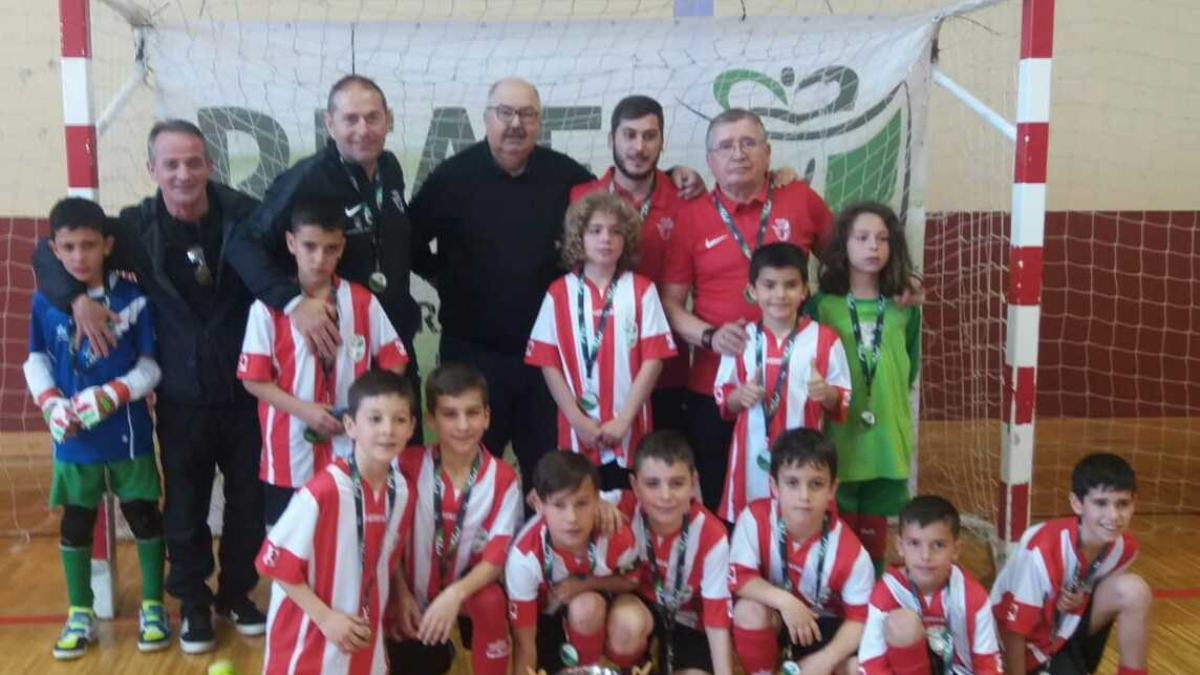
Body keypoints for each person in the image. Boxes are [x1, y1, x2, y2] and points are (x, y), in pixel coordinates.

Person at [31, 119, 265, 652]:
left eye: (194, 162)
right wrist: (75, 297)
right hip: (182, 394)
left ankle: (236, 593)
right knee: (184, 504)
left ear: (209, 164)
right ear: (152, 169)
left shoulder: (244, 216)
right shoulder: (134, 227)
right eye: (171, 164)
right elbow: (49, 252)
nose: (184, 174)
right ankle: (193, 602)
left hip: (248, 389)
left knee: (248, 502)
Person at [411, 77, 704, 490]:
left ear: (538, 121)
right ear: (486, 118)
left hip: (551, 371)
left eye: (527, 114)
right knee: (470, 474)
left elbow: (618, 191)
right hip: (473, 355)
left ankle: (543, 553)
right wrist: (442, 277)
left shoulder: (565, 176)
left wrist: (674, 174)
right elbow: (407, 239)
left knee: (552, 478)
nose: (516, 123)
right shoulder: (451, 177)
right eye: (505, 113)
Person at [227, 74, 426, 440]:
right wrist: (293, 303)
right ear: (330, 124)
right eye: (350, 119)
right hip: (337, 357)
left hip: (392, 348)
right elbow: (242, 245)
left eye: (372, 117)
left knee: (399, 470)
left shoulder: (390, 169)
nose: (362, 130)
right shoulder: (307, 178)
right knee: (339, 480)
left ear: (389, 119)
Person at [662, 108, 834, 511]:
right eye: (725, 146)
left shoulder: (799, 198)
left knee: (799, 501)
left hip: (796, 389)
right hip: (715, 388)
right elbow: (669, 304)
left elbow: (847, 265)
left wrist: (898, 284)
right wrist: (708, 335)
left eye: (748, 143)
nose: (737, 153)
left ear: (767, 152)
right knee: (725, 504)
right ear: (710, 161)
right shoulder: (691, 216)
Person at [23, 198, 168, 659]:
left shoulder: (133, 298)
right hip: (74, 437)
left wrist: (115, 393)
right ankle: (80, 611)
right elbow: (36, 359)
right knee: (77, 522)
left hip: (127, 433)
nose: (80, 255)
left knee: (143, 513)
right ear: (54, 248)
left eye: (89, 244)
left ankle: (152, 604)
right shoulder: (44, 301)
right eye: (69, 246)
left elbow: (150, 366)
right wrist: (49, 402)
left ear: (107, 245)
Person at [238, 198, 409, 526]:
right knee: (287, 542)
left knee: (347, 537)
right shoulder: (268, 309)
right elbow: (253, 379)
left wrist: (365, 411)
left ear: (342, 248)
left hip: (352, 446)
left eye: (330, 249)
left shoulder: (361, 301)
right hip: (288, 450)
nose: (320, 259)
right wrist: (305, 410)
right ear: (291, 243)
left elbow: (393, 360)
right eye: (310, 246)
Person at [256, 369, 416, 675]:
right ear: (350, 426)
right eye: (375, 419)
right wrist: (326, 618)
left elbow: (382, 559)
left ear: (411, 427)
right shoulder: (323, 492)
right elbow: (272, 562)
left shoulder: (403, 492)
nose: (388, 430)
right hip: (307, 642)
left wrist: (400, 595)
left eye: (399, 420)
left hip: (361, 642)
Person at [526, 191, 677, 487]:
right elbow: (547, 362)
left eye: (615, 231)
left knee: (626, 513)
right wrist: (576, 418)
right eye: (595, 230)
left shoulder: (642, 290)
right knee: (578, 509)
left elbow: (654, 360)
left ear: (627, 239)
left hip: (629, 431)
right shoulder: (558, 292)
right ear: (578, 237)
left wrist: (625, 419)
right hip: (575, 431)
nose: (605, 239)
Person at [568, 95, 696, 433]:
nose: (639, 147)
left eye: (649, 136)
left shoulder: (687, 201)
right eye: (629, 135)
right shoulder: (581, 198)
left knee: (662, 476)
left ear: (662, 142)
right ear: (612, 140)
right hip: (596, 369)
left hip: (667, 370)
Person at [809, 201, 921, 572]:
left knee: (873, 541)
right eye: (862, 237)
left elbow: (909, 366)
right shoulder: (822, 306)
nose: (873, 246)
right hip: (839, 436)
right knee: (837, 538)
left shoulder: (905, 306)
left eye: (883, 239)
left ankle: (870, 610)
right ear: (844, 245)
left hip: (887, 440)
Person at [389, 363, 522, 675]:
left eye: (473, 413)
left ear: (487, 416)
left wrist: (455, 595)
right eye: (450, 414)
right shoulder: (405, 465)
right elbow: (385, 539)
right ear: (431, 419)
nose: (463, 425)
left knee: (490, 601)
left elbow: (495, 560)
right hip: (408, 592)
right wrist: (398, 591)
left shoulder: (503, 479)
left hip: (465, 591)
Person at [714, 242, 851, 522]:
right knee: (750, 530)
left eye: (790, 285)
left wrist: (825, 393)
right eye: (769, 285)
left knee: (802, 529)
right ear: (753, 291)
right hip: (750, 463)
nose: (780, 294)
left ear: (804, 291)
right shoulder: (740, 339)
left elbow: (841, 400)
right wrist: (740, 396)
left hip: (805, 467)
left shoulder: (825, 339)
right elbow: (723, 400)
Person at [728, 428, 874, 675]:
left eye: (816, 484)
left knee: (855, 668)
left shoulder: (851, 551)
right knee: (748, 611)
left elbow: (860, 619)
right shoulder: (755, 519)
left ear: (832, 489)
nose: (804, 496)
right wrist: (785, 602)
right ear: (774, 486)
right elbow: (739, 579)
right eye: (792, 483)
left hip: (823, 628)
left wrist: (825, 660)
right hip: (777, 617)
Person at [991, 453, 1151, 675]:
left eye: (1123, 504)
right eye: (1101, 503)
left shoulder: (1126, 549)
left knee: (1134, 590)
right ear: (1077, 503)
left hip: (1066, 633)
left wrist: (1081, 593)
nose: (1113, 515)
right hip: (1020, 649)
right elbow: (1012, 631)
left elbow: (1092, 589)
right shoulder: (1042, 548)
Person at [608, 430, 735, 675]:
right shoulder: (617, 507)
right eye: (652, 484)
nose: (665, 496)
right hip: (641, 608)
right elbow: (571, 501)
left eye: (677, 483)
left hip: (688, 619)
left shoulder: (712, 533)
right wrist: (597, 506)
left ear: (693, 483)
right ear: (634, 485)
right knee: (625, 624)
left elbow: (717, 616)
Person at [505, 451, 641, 675]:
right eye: (559, 505)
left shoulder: (614, 533)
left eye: (581, 504)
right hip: (544, 619)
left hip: (591, 611)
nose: (572, 518)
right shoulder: (523, 558)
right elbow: (524, 641)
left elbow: (631, 581)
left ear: (598, 499)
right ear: (538, 504)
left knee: (589, 607)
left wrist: (584, 584)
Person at [858, 495, 1002, 675]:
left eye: (938, 545)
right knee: (901, 624)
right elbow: (872, 662)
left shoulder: (973, 596)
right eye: (915, 543)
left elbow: (987, 663)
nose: (926, 555)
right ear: (900, 546)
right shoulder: (887, 592)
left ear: (956, 550)